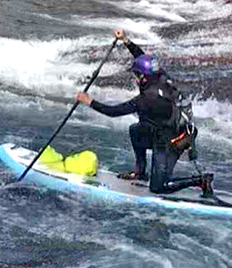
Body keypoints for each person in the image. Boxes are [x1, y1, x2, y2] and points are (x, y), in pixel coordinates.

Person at [75, 29, 214, 197]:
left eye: (135, 75)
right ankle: (140, 172)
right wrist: (126, 40)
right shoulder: (160, 76)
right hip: (166, 132)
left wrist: (89, 101)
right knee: (136, 130)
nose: (134, 78)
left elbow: (114, 111)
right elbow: (141, 58)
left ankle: (200, 181)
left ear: (143, 77)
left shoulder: (147, 100)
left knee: (158, 187)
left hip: (175, 141)